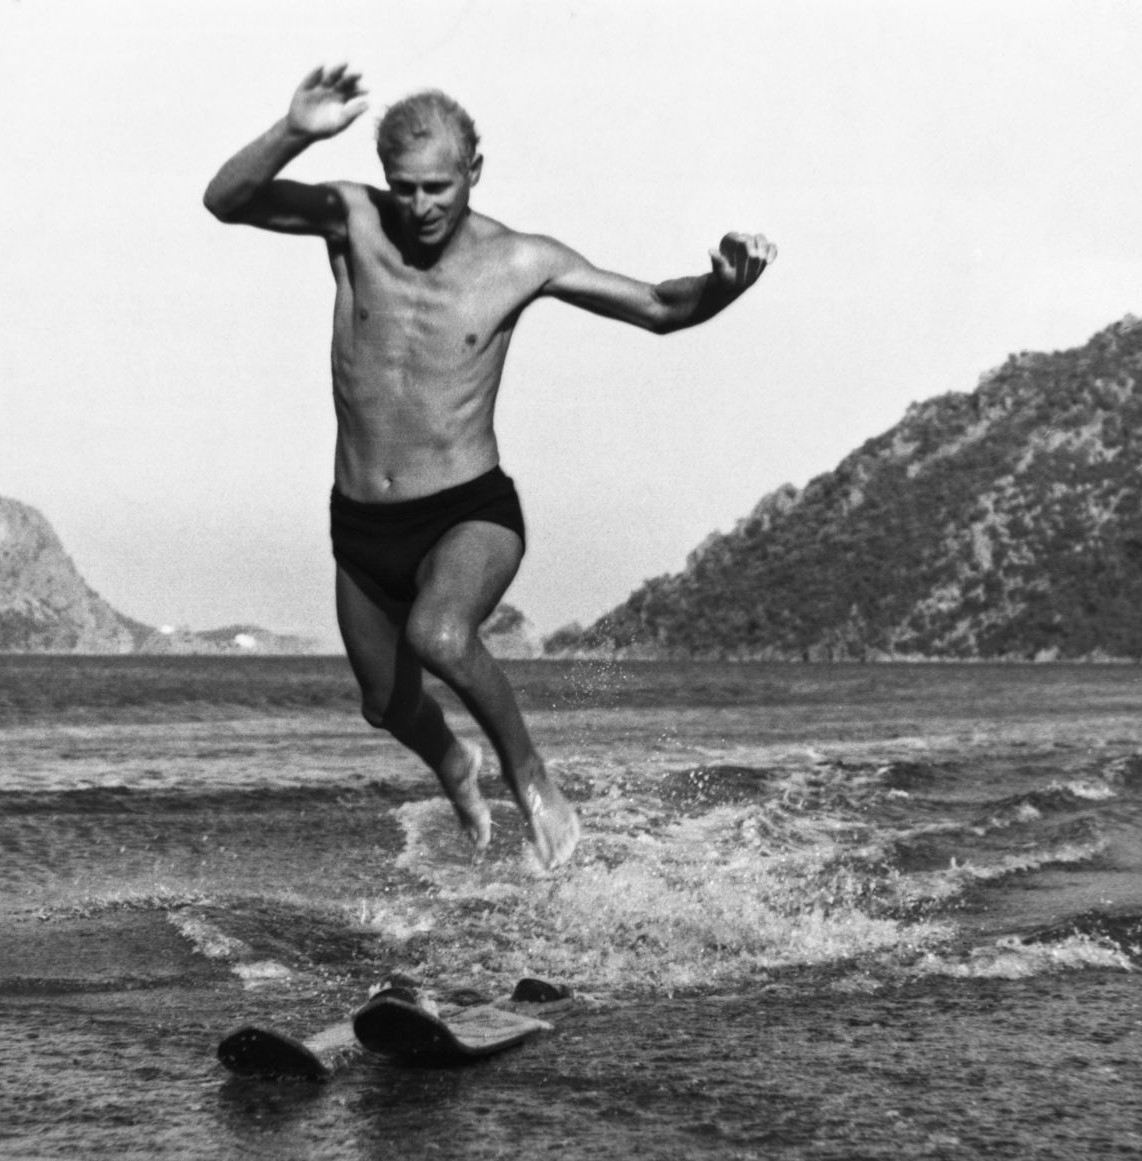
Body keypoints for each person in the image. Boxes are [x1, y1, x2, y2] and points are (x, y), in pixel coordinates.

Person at [203, 64, 776, 871]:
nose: (422, 205)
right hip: (362, 521)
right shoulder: (352, 222)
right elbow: (225, 200)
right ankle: (452, 759)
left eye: (439, 186)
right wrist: (294, 130)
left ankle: (529, 774)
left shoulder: (520, 260)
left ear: (473, 172)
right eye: (405, 187)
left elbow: (658, 307)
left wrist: (725, 284)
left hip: (469, 511)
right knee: (383, 703)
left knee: (440, 633)